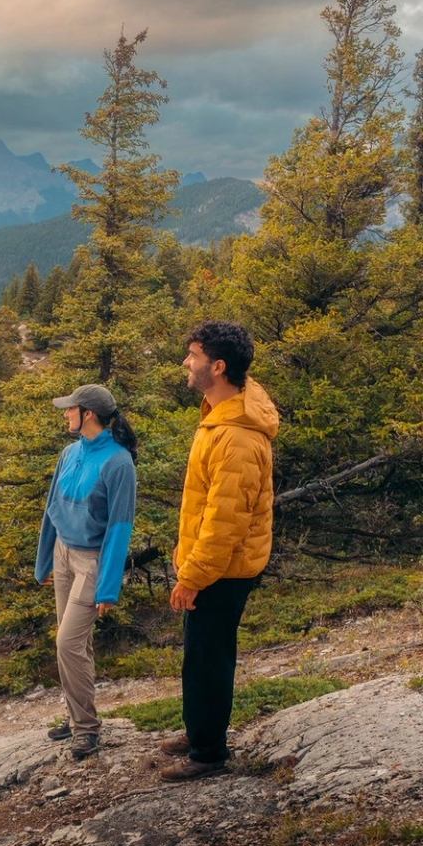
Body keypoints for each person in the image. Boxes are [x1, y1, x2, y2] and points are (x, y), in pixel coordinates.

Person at [159, 321, 278, 782]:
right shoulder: (222, 410)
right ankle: (199, 731)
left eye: (193, 355)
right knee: (200, 651)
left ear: (219, 366)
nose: (187, 363)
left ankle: (208, 753)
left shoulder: (238, 437)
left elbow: (225, 522)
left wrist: (193, 576)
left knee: (209, 656)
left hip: (223, 569)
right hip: (213, 565)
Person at [35, 383, 138, 760]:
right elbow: (52, 508)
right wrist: (44, 561)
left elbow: (119, 527)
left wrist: (108, 587)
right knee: (75, 645)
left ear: (88, 415)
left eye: (70, 409)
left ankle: (87, 729)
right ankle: (78, 715)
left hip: (91, 562)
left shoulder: (119, 462)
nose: (65, 414)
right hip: (63, 554)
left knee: (67, 642)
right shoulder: (69, 452)